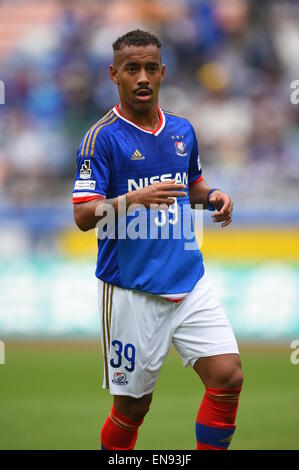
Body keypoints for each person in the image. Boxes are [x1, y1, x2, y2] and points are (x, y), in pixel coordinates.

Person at [72, 29, 243, 451]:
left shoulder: (182, 130)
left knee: (228, 376)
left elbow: (193, 186)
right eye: (132, 69)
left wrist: (215, 196)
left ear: (163, 72)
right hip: (132, 288)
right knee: (133, 410)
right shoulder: (101, 138)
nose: (143, 77)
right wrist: (134, 199)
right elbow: (82, 215)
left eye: (151, 67)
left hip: (189, 280)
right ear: (115, 74)